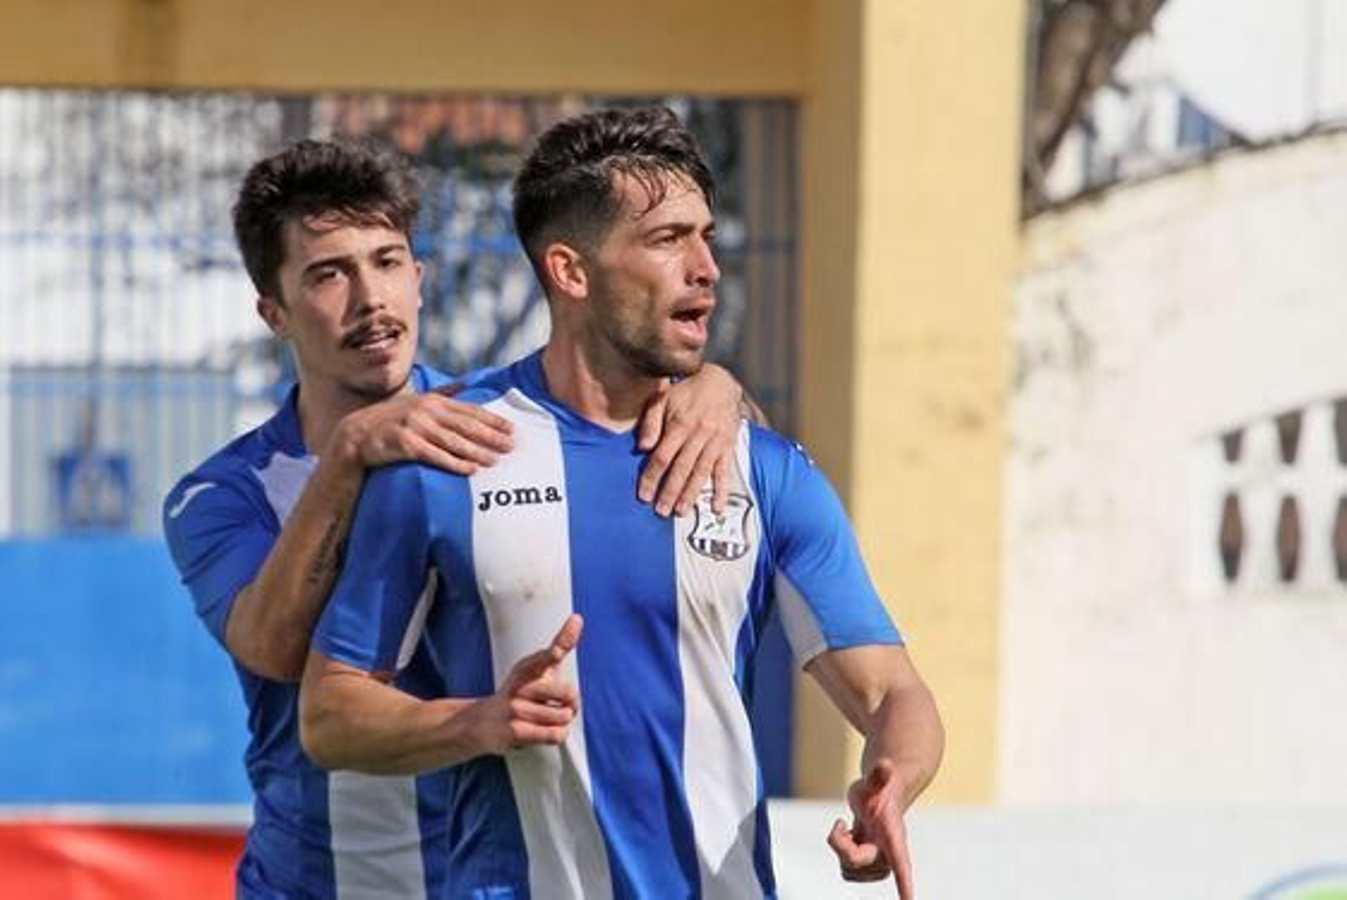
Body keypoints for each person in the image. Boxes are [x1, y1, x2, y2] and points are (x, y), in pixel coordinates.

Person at [300, 107, 946, 900]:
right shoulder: (447, 458)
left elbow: (892, 691)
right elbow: (329, 715)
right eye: (669, 239)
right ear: (571, 273)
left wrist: (893, 779)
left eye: (706, 235)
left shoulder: (761, 469)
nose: (707, 265)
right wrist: (476, 722)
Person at [162, 138, 752, 899]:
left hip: (488, 880)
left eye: (386, 261)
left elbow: (634, 416)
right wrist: (348, 457)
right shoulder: (223, 493)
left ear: (420, 278)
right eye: (328, 274)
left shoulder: (504, 428)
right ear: (274, 311)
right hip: (313, 883)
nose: (370, 298)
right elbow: (271, 648)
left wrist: (715, 384)